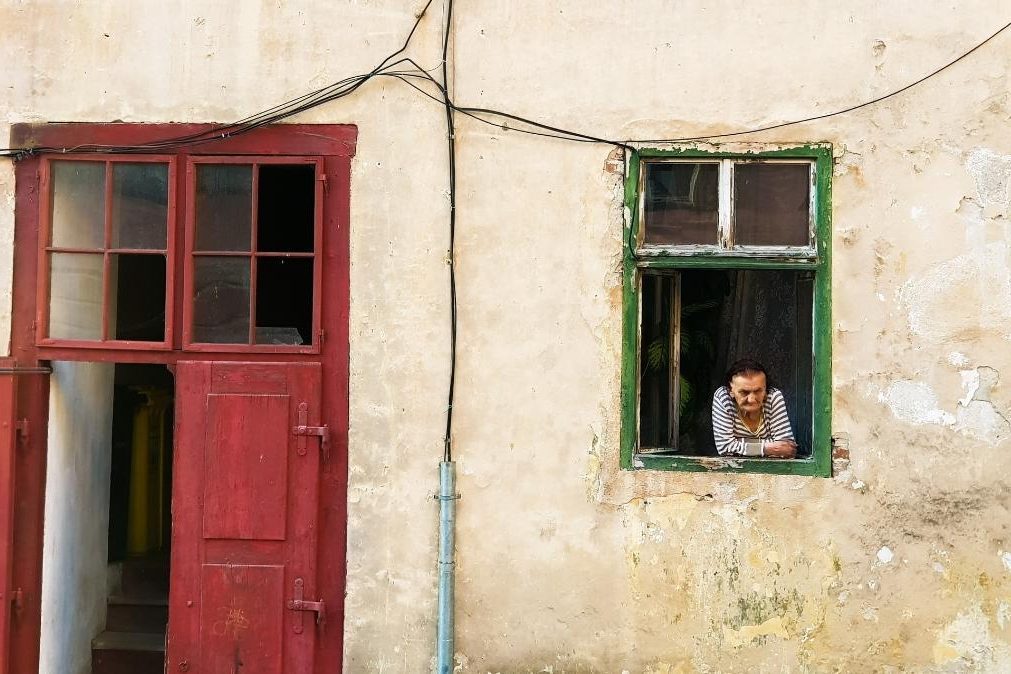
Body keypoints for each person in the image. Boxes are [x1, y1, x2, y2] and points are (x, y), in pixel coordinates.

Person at [711, 358, 797, 458]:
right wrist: (767, 448)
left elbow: (787, 449)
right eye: (744, 392)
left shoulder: (773, 397)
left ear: (765, 390)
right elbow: (725, 448)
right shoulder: (723, 397)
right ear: (731, 390)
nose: (751, 399)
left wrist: (738, 444)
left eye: (758, 391)